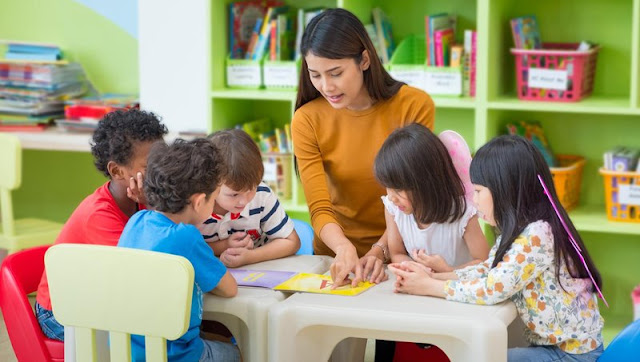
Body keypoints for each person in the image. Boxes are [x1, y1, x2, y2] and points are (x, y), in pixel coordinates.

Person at [389, 135, 604, 362]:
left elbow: (493, 288)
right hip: (554, 349)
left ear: (505, 190)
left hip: (573, 356)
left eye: (479, 191)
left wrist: (429, 286)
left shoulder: (538, 234)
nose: (475, 200)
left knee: (479, 357)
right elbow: (489, 270)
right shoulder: (519, 232)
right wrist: (437, 276)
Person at [291, 8, 436, 290]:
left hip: (402, 251)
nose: (326, 86)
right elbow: (319, 208)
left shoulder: (414, 106)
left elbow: (415, 196)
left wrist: (380, 249)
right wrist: (344, 248)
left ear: (364, 60)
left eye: (335, 73)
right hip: (334, 254)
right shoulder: (307, 119)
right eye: (315, 75)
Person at [35, 109, 167, 341]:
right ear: (116, 171)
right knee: (149, 334)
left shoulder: (142, 200)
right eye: (149, 166)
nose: (162, 172)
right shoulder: (99, 215)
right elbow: (147, 269)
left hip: (98, 297)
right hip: (60, 312)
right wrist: (154, 205)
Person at [118, 138, 240, 362]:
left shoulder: (137, 220)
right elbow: (229, 289)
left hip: (129, 352)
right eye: (214, 199)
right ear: (199, 201)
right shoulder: (185, 237)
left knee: (212, 338)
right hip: (175, 356)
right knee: (240, 352)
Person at [373, 123, 489, 272]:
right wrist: (417, 268)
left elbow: (484, 262)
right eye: (388, 187)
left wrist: (445, 270)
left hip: (454, 289)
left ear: (426, 182)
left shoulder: (463, 213)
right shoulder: (394, 209)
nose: (392, 197)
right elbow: (397, 253)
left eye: (399, 189)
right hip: (421, 289)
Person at [198, 129, 300, 267]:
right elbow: (183, 248)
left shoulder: (262, 195)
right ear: (210, 183)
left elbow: (291, 242)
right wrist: (223, 246)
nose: (244, 201)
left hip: (259, 271)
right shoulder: (197, 204)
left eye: (251, 189)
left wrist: (250, 257)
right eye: (234, 194)